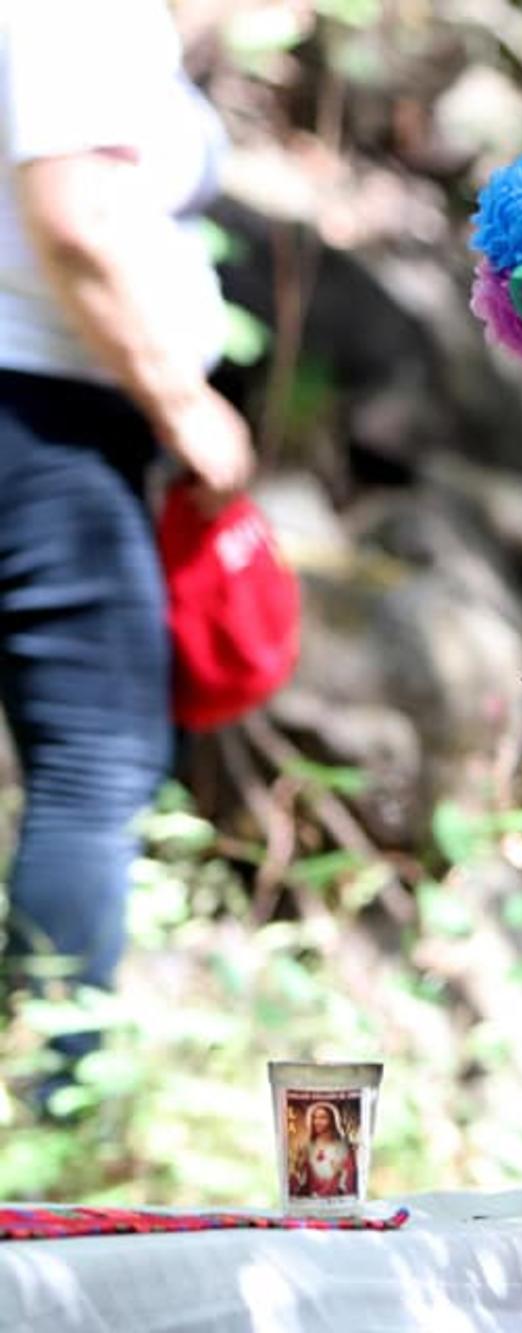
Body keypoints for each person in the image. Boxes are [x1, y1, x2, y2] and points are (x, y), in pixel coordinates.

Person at [0, 4, 253, 1051]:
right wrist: (182, 403)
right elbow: (72, 217)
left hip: (56, 406)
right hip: (41, 411)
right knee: (96, 758)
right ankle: (56, 1112)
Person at [289, 1101, 358, 1199]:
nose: (317, 1121)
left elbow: (350, 1179)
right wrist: (299, 1166)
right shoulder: (308, 1148)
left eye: (323, 1117)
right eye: (315, 1117)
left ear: (332, 1120)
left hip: (336, 1201)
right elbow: (300, 1179)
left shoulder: (343, 1148)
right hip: (312, 1201)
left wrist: (341, 1172)